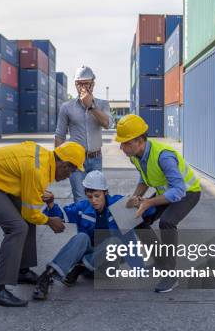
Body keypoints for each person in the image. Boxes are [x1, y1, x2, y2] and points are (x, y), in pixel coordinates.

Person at [0, 141, 85, 307]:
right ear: (64, 165)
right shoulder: (38, 170)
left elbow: (26, 188)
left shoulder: (44, 158)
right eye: (71, 170)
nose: (69, 176)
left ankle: (22, 270)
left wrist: (35, 193)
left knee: (25, 219)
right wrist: (49, 221)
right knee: (17, 227)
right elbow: (31, 213)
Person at [33, 170, 155, 300]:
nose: (93, 200)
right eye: (90, 196)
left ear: (106, 193)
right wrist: (50, 203)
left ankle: (80, 267)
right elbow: (60, 214)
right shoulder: (83, 207)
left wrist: (138, 203)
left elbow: (150, 211)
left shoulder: (119, 204)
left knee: (115, 242)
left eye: (97, 196)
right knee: (81, 238)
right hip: (90, 253)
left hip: (108, 262)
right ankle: (47, 276)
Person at [114, 114, 202, 293]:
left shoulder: (164, 156)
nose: (121, 147)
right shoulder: (136, 156)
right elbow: (145, 178)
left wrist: (148, 202)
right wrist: (136, 198)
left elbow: (178, 191)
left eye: (126, 143)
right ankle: (161, 260)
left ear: (140, 141)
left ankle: (171, 274)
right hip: (165, 192)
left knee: (167, 222)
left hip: (188, 192)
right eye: (121, 143)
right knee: (135, 219)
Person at [55, 65, 114, 202]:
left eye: (86, 83)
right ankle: (83, 223)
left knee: (97, 199)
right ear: (75, 85)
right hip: (75, 161)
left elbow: (108, 124)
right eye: (79, 84)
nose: (83, 87)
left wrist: (91, 106)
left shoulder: (103, 104)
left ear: (93, 84)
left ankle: (96, 223)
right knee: (80, 198)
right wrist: (58, 162)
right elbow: (60, 135)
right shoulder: (66, 107)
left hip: (96, 158)